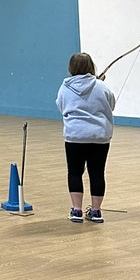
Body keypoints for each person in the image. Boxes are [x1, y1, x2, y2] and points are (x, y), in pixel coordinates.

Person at [55, 53, 115, 224]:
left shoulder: (65, 87)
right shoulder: (101, 86)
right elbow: (111, 105)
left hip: (75, 136)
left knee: (74, 172)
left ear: (71, 67)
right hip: (99, 137)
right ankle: (96, 212)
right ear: (91, 66)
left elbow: (61, 106)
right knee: (97, 173)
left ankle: (77, 211)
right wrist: (99, 84)